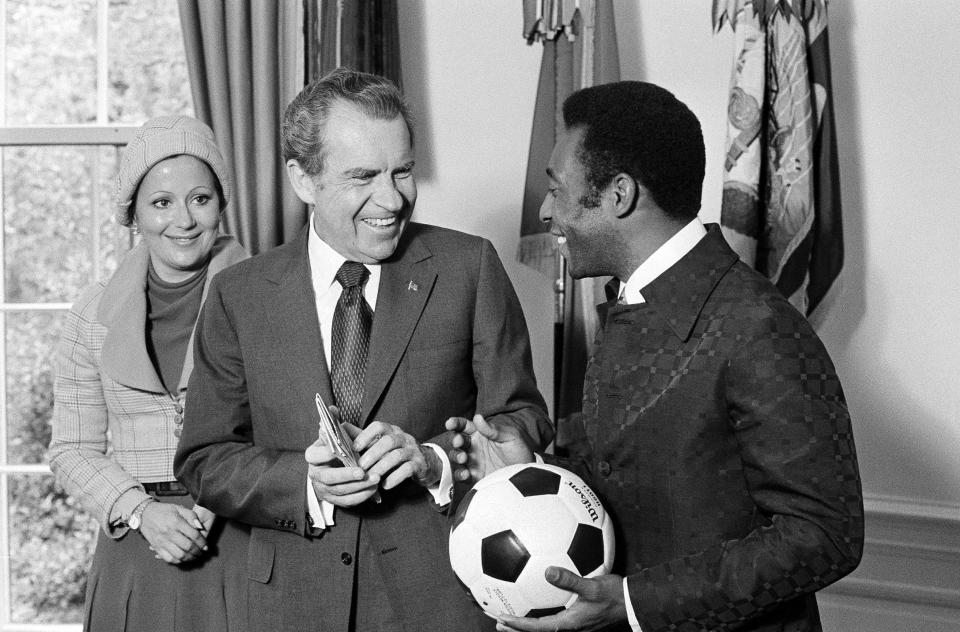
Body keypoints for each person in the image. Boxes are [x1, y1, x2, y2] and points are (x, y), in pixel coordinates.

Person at [447, 81, 864, 632]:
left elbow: (826, 534)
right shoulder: (633, 302)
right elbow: (643, 479)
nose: (546, 211)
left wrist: (638, 601)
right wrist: (535, 471)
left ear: (619, 195)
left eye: (557, 188)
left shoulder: (759, 326)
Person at [173, 68, 553, 632]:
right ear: (303, 180)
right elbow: (204, 459)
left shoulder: (469, 267)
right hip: (289, 608)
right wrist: (305, 485)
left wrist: (435, 460)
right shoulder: (238, 294)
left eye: (403, 171)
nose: (391, 198)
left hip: (439, 601)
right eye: (362, 176)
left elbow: (524, 420)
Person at [48, 115, 249, 631]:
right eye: (161, 203)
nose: (183, 220)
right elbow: (71, 448)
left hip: (240, 541)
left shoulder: (266, 300)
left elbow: (293, 427)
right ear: (133, 214)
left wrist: (218, 499)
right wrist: (140, 512)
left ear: (221, 204)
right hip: (136, 548)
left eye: (199, 199)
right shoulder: (90, 314)